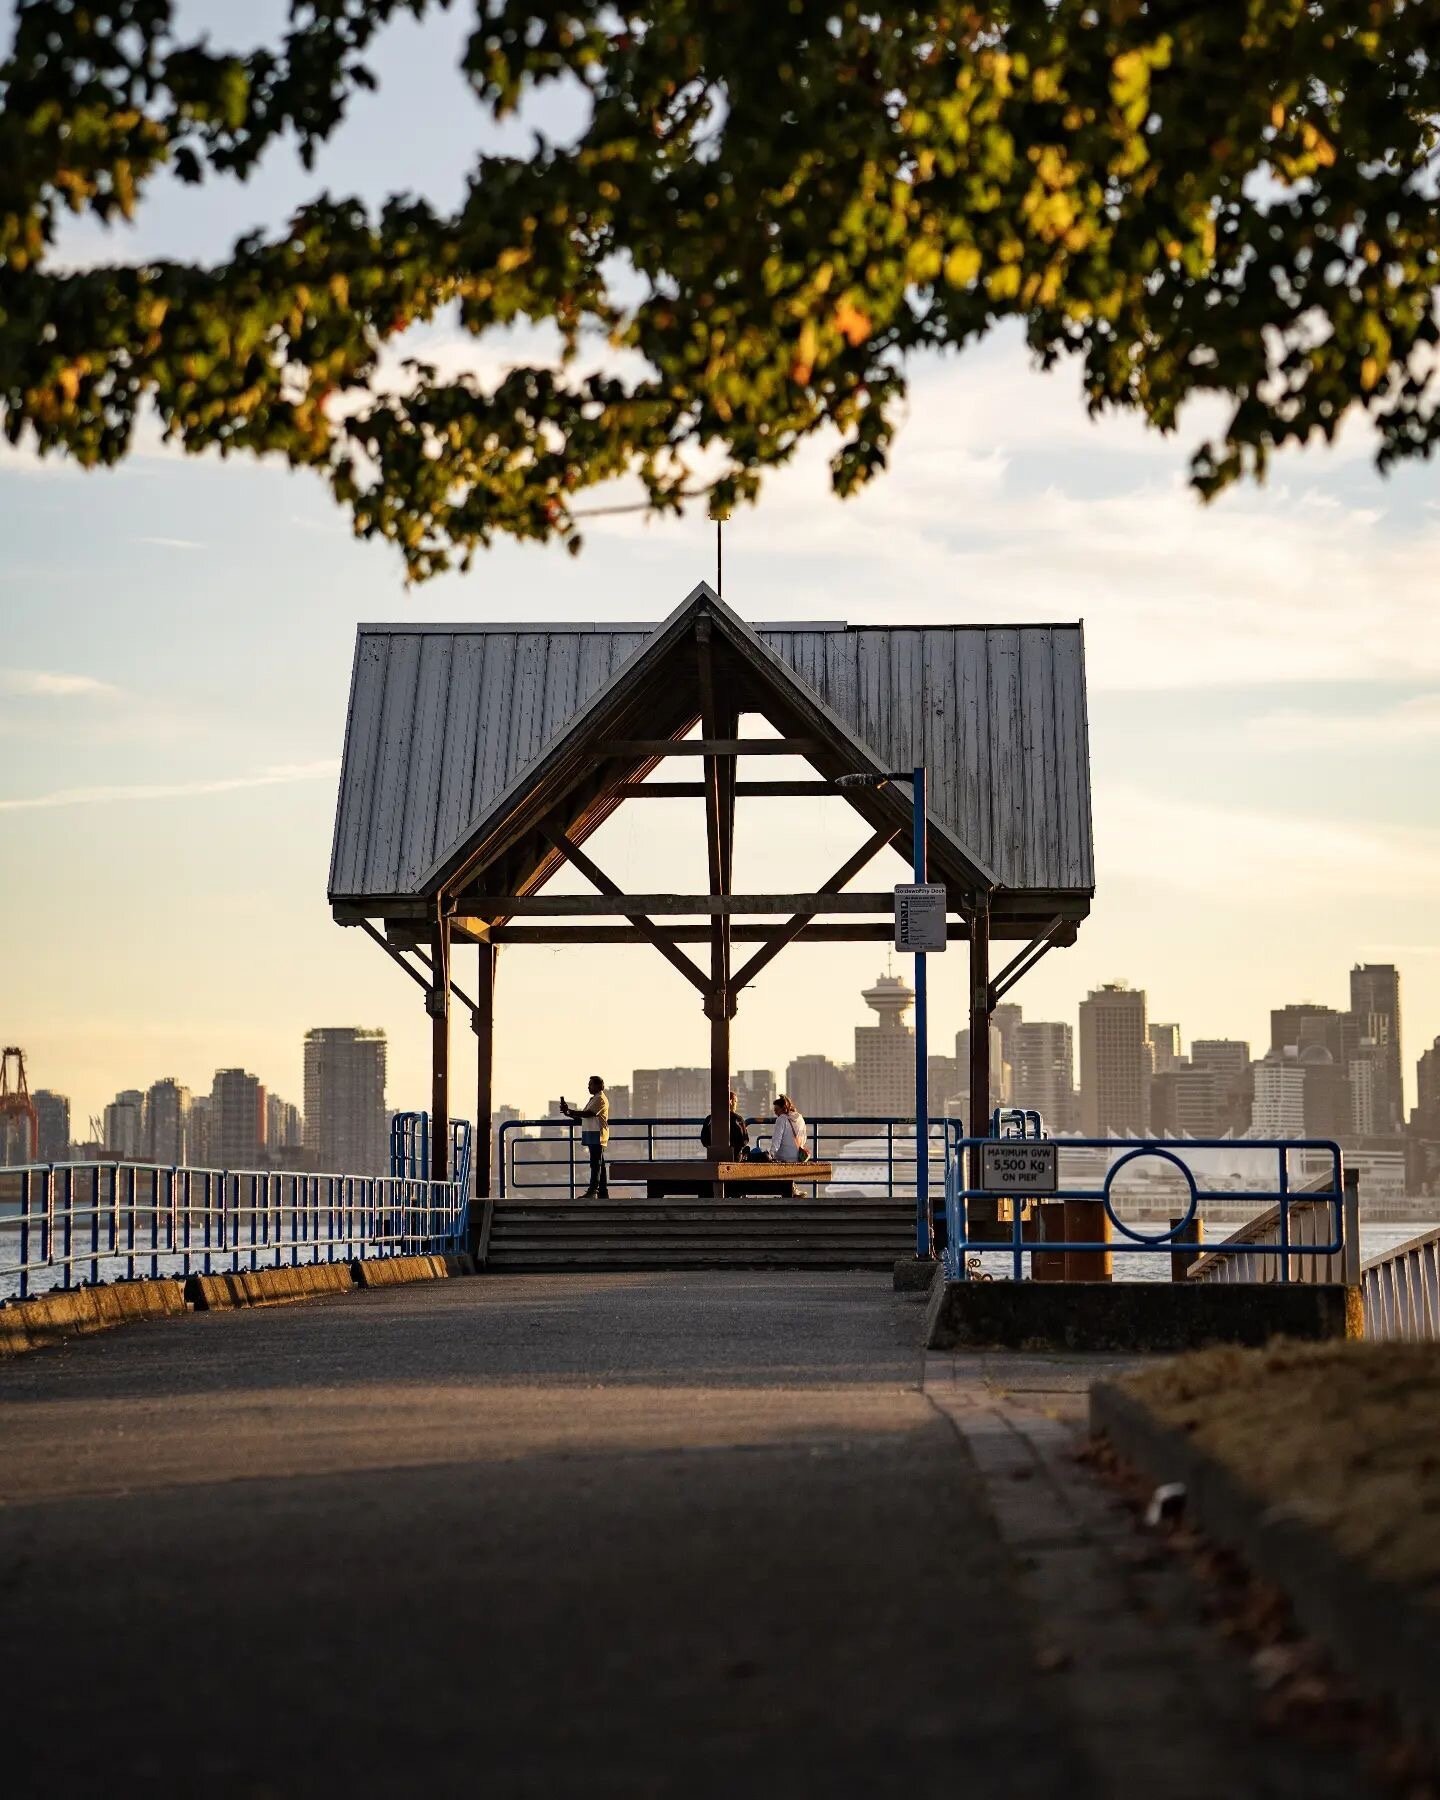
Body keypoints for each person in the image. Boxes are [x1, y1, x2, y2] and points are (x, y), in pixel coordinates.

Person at [559, 1075, 610, 1199]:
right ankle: (602, 1192)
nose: (588, 1087)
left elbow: (588, 1114)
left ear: (599, 1086)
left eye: (591, 1084)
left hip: (597, 1135)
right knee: (599, 1164)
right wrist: (568, 1113)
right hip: (593, 1134)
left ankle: (593, 1191)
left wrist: (570, 1111)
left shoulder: (600, 1099)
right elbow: (584, 1116)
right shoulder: (594, 1099)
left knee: (595, 1164)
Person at [770, 1095, 808, 1193]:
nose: (775, 1113)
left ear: (783, 1108)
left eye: (776, 1110)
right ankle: (791, 1189)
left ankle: (788, 1191)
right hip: (797, 1157)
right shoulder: (800, 1118)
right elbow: (804, 1139)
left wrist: (771, 1154)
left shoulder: (781, 1119)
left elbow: (776, 1140)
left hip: (784, 1157)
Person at [701, 1090, 750, 1159]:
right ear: (730, 1101)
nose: (736, 1105)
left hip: (713, 1157)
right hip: (734, 1157)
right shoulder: (737, 1119)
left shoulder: (709, 1118)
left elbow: (704, 1140)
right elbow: (744, 1141)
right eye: (735, 1101)